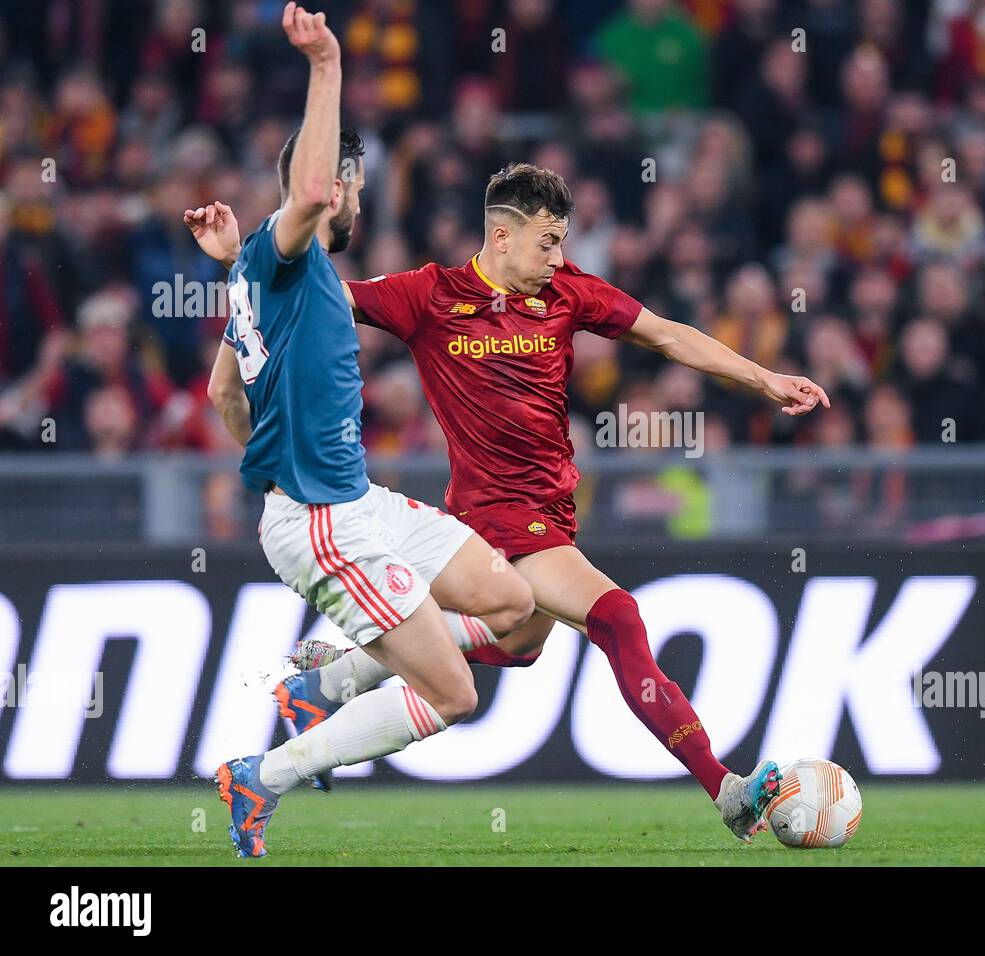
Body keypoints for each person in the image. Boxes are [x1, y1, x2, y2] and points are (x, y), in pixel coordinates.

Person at [195, 162, 830, 841]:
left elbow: (669, 333)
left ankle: (335, 681)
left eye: (561, 242)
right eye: (547, 242)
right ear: (501, 236)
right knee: (617, 617)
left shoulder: (568, 293)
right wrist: (241, 259)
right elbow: (309, 292)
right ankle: (726, 788)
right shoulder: (429, 296)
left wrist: (763, 379)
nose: (558, 258)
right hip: (491, 517)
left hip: (552, 514)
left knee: (522, 641)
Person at [189, 3, 532, 858]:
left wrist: (275, 450)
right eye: (354, 184)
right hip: (321, 519)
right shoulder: (286, 247)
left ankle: (327, 684)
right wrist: (327, 63)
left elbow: (222, 392)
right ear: (335, 187)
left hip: (353, 502)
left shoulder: (275, 278)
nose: (357, 199)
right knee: (454, 695)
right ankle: (260, 776)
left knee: (519, 611)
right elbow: (304, 193)